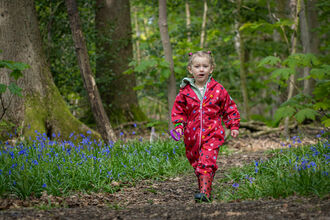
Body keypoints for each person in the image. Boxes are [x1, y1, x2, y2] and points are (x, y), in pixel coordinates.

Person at [171, 51, 240, 202]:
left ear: (211, 69)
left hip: (212, 133)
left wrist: (233, 125)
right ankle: (204, 185)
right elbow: (179, 111)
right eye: (197, 66)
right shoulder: (185, 92)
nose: (201, 69)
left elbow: (229, 107)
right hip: (192, 136)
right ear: (190, 69)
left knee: (207, 161)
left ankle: (205, 193)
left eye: (205, 66)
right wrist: (178, 126)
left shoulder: (218, 89)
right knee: (197, 163)